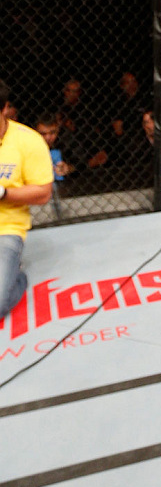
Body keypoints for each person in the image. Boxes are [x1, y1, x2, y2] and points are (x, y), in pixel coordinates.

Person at [0, 80, 54, 321]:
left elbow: (43, 193)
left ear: (5, 109)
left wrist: (4, 193)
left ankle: (16, 276)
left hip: (6, 228)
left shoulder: (28, 141)